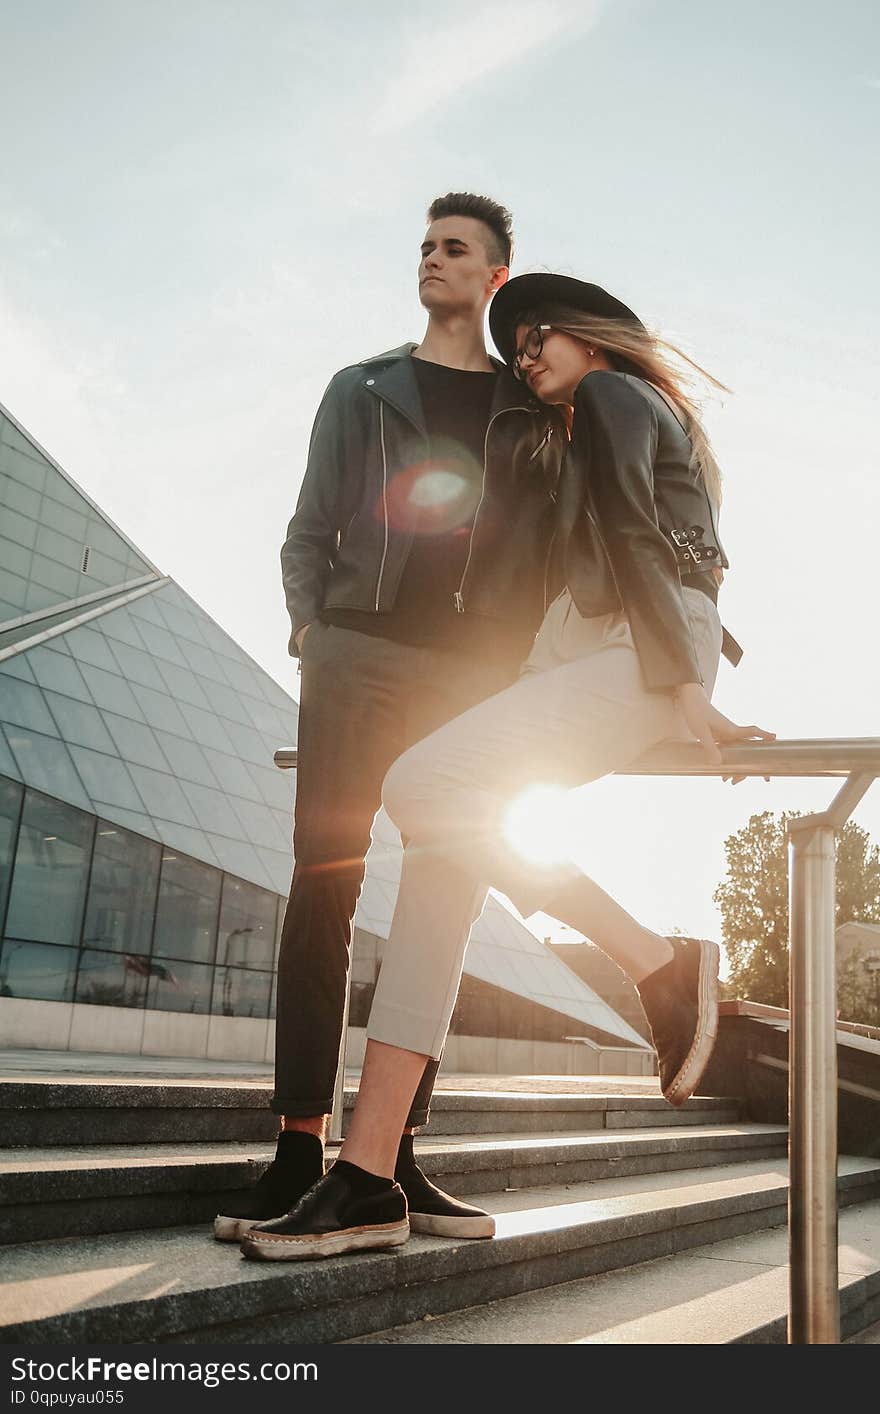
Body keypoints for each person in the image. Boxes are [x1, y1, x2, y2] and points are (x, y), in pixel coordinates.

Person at [237, 272, 776, 1262]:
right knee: (446, 867)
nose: (527, 357)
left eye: (539, 337)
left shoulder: (617, 395)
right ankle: (364, 1175)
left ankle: (656, 961)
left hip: (633, 653)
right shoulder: (578, 426)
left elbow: (637, 537)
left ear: (593, 332)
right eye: (517, 349)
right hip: (584, 654)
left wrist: (686, 684)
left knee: (420, 786)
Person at [213, 201, 561, 1244]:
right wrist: (312, 630)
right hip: (353, 653)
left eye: (454, 247)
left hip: (468, 676)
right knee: (325, 884)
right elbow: (307, 524)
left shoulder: (525, 411)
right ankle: (295, 1146)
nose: (431, 258)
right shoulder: (358, 388)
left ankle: (387, 1154)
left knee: (440, 904)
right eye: (424, 244)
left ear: (497, 275)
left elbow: (545, 550)